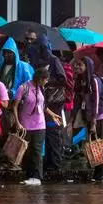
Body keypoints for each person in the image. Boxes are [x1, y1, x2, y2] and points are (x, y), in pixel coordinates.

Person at [12, 67, 61, 186]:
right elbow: (14, 106)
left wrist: (53, 115)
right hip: (26, 125)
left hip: (40, 125)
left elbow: (42, 106)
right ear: (39, 79)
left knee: (37, 151)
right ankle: (29, 176)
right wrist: (17, 123)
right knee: (27, 152)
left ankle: (37, 177)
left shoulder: (41, 88)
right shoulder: (23, 88)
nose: (47, 81)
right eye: (45, 79)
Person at [28, 35, 68, 172]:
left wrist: (47, 82)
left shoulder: (54, 60)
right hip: (42, 102)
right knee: (44, 133)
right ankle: (46, 162)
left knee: (54, 132)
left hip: (54, 103)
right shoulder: (36, 62)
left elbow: (63, 80)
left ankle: (56, 163)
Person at [72, 57, 103, 182]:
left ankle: (100, 173)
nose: (77, 67)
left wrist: (94, 122)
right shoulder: (80, 80)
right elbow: (78, 101)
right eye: (76, 65)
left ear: (87, 66)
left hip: (99, 116)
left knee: (99, 144)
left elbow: (95, 101)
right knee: (93, 143)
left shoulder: (94, 81)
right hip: (89, 117)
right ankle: (100, 171)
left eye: (80, 65)